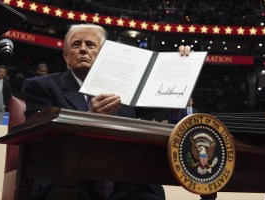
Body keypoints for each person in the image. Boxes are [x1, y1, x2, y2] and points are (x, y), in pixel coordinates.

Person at [24, 23, 191, 200]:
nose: (82, 49)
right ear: (66, 56)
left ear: (104, 55)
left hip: (125, 184)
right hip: (69, 180)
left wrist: (182, 62)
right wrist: (90, 118)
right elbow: (40, 140)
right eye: (75, 44)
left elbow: (167, 92)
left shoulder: (128, 89)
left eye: (90, 45)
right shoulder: (42, 87)